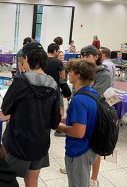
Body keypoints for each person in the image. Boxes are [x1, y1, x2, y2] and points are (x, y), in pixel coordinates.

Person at [2, 42, 61, 187]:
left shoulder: (20, 82)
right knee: (32, 181)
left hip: (18, 143)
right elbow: (55, 122)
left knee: (3, 178)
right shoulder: (53, 85)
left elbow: (5, 109)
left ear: (27, 58)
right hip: (40, 144)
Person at [56, 59, 98, 187]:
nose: (68, 74)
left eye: (71, 71)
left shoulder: (79, 100)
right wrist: (63, 120)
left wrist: (57, 126)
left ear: (78, 75)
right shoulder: (92, 93)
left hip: (79, 150)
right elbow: (85, 119)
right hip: (89, 147)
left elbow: (78, 132)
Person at [80, 45, 111, 187]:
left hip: (97, 113)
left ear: (96, 57)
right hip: (83, 111)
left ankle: (93, 178)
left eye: (87, 56)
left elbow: (93, 94)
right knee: (80, 140)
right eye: (82, 56)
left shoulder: (104, 74)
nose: (83, 59)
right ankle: (78, 168)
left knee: (95, 146)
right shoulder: (84, 71)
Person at [45, 43, 66, 138]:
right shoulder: (58, 62)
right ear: (54, 51)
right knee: (58, 108)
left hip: (44, 88)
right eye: (57, 51)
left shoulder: (43, 61)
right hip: (55, 88)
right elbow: (63, 76)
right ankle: (58, 129)